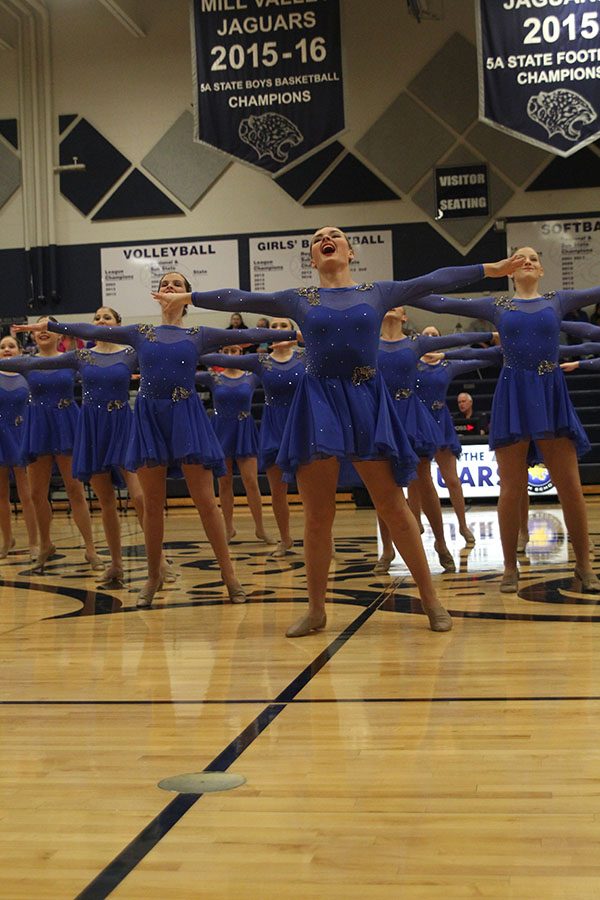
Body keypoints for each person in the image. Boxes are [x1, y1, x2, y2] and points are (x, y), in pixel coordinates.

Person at [153, 225, 523, 636]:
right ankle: (316, 610)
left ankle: (431, 600)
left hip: (366, 399)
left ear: (350, 252)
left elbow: (434, 279)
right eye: (317, 238)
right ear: (313, 258)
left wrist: (492, 268)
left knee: (393, 507)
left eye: (335, 235)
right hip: (318, 402)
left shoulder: (377, 292)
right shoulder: (299, 298)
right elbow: (241, 298)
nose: (326, 238)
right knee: (318, 515)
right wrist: (189, 297)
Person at [17, 273, 281, 607]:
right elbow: (93, 331)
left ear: (187, 296)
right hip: (148, 418)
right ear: (157, 293)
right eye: (165, 283)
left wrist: (292, 332)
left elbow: (249, 334)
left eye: (177, 284)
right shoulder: (141, 333)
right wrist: (53, 326)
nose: (170, 286)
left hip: (186, 414)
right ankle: (153, 575)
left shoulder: (198, 334)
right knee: (152, 504)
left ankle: (229, 575)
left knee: (205, 500)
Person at [410, 246, 600, 593]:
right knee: (511, 487)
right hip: (513, 393)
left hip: (550, 392)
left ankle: (584, 564)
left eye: (534, 258)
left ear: (541, 270)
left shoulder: (556, 301)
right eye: (520, 258)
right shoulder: (497, 306)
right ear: (511, 271)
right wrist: (485, 270)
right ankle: (510, 565)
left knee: (570, 486)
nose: (527, 261)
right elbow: (436, 301)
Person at [14, 307, 161, 587]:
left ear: (118, 324)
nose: (101, 321)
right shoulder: (82, 356)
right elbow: (25, 365)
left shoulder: (131, 354)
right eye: (97, 318)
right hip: (91, 427)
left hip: (121, 424)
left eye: (107, 317)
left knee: (140, 497)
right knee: (104, 500)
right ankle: (115, 564)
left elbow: (159, 366)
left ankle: (158, 559)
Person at [374, 306, 492, 573]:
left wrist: (494, 334)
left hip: (412, 416)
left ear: (405, 317)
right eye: (387, 305)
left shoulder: (416, 344)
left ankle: (441, 542)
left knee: (424, 481)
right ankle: (388, 550)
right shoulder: (370, 344)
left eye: (398, 306)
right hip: (382, 416)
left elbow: (459, 344)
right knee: (384, 489)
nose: (391, 307)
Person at [1, 318, 101, 573]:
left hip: (66, 425)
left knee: (75, 489)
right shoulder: (26, 362)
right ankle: (45, 543)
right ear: (32, 338)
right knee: (36, 493)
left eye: (47, 329)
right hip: (38, 427)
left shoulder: (71, 358)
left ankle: (91, 548)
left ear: (60, 336)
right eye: (37, 330)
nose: (42, 333)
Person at [198, 318, 304, 557]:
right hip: (241, 428)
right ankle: (279, 537)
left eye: (282, 327)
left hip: (296, 425)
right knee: (270, 489)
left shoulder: (302, 359)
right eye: (273, 328)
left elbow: (324, 347)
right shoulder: (259, 363)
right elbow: (206, 360)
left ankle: (317, 537)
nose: (277, 331)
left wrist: (299, 337)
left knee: (300, 489)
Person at [0, 335, 39, 560]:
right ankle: (7, 540)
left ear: (20, 350)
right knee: (2, 494)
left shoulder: (28, 375)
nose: (7, 350)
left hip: (21, 435)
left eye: (11, 346)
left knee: (27, 493)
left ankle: (35, 541)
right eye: (3, 347)